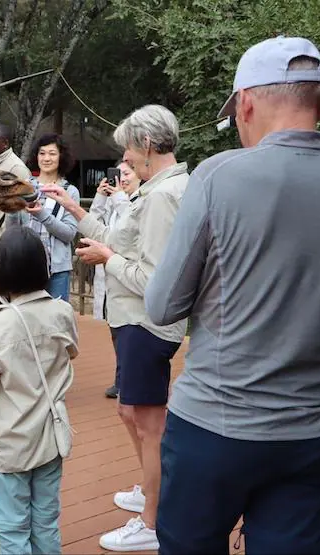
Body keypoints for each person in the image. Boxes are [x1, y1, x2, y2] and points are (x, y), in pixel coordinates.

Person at [145, 36, 320, 554]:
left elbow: (162, 306)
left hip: (215, 424)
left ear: (246, 103)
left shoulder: (218, 176)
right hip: (316, 432)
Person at [50, 104, 188, 552]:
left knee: (149, 423)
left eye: (129, 150)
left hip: (147, 326)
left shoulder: (164, 197)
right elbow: (118, 239)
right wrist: (73, 207)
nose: (125, 159)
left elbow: (156, 279)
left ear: (146, 145)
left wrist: (109, 261)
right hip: (132, 323)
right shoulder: (154, 190)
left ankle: (154, 520)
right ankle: (153, 491)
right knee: (131, 414)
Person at [0, 226, 79, 555]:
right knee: (45, 522)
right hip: (50, 439)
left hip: (9, 446)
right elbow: (72, 352)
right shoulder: (63, 313)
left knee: (12, 530)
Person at [6, 133, 80, 302]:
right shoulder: (24, 186)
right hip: (25, 265)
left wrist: (41, 214)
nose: (47, 158)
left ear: (61, 157)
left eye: (52, 153)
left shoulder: (69, 191)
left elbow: (68, 234)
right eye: (42, 153)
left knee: (55, 321)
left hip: (57, 270)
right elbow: (11, 230)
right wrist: (10, 206)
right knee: (27, 317)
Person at [89, 161, 140, 399]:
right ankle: (121, 378)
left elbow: (130, 228)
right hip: (109, 274)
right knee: (116, 328)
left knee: (129, 330)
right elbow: (92, 225)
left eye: (127, 173)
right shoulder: (113, 200)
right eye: (119, 174)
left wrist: (119, 198)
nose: (123, 179)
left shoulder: (140, 201)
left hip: (129, 274)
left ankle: (127, 379)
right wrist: (100, 198)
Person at [0, 124, 32, 284]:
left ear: (5, 144)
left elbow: (25, 203)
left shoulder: (16, 167)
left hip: (5, 237)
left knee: (8, 285)